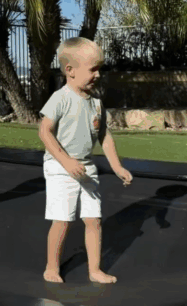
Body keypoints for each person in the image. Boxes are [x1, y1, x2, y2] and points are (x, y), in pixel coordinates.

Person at [38, 36, 133, 284]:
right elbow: (44, 131)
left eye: (99, 69)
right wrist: (66, 162)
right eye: (92, 69)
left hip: (86, 166)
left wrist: (117, 166)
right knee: (63, 220)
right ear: (70, 71)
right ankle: (51, 267)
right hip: (60, 167)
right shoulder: (60, 98)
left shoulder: (97, 104)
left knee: (94, 219)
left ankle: (95, 270)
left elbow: (104, 135)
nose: (98, 75)